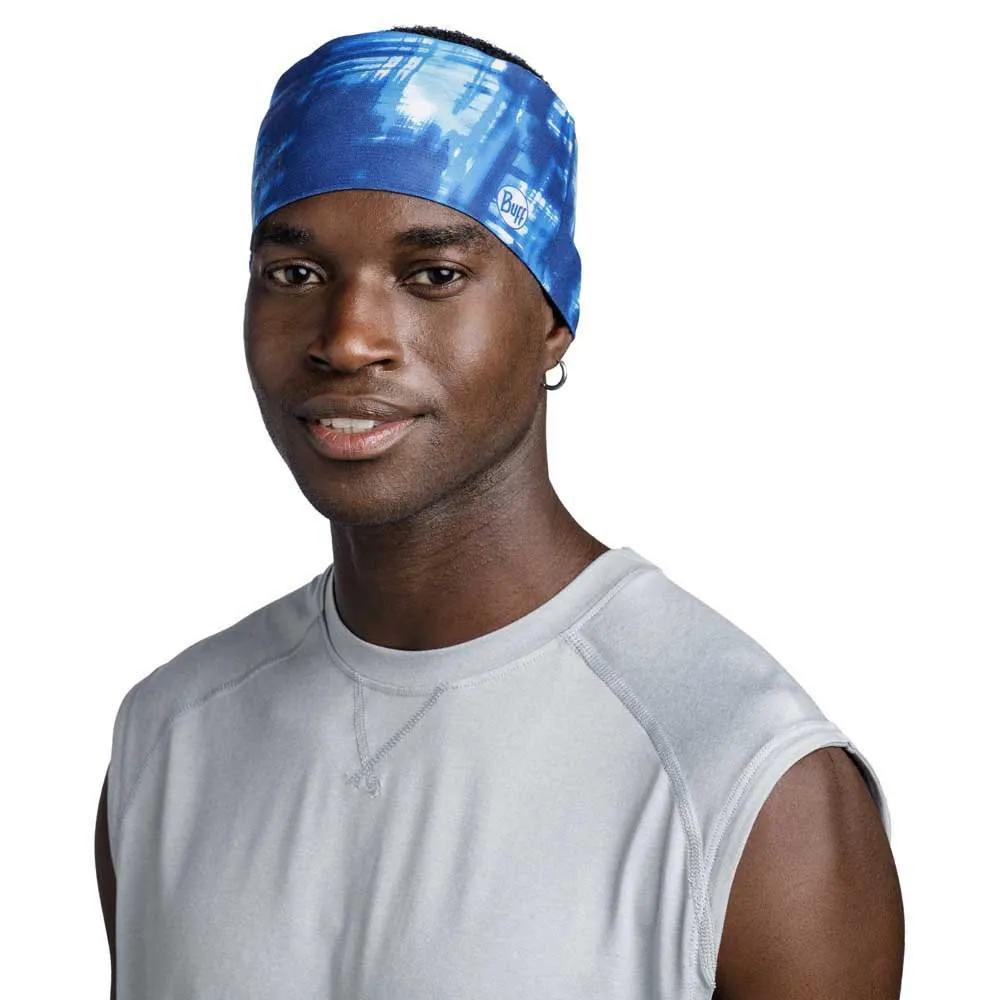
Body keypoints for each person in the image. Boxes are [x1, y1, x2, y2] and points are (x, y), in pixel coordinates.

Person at [94, 24, 904, 1000]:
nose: (347, 339)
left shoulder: (746, 781)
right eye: (294, 275)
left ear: (552, 314)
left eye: (432, 275)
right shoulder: (171, 737)